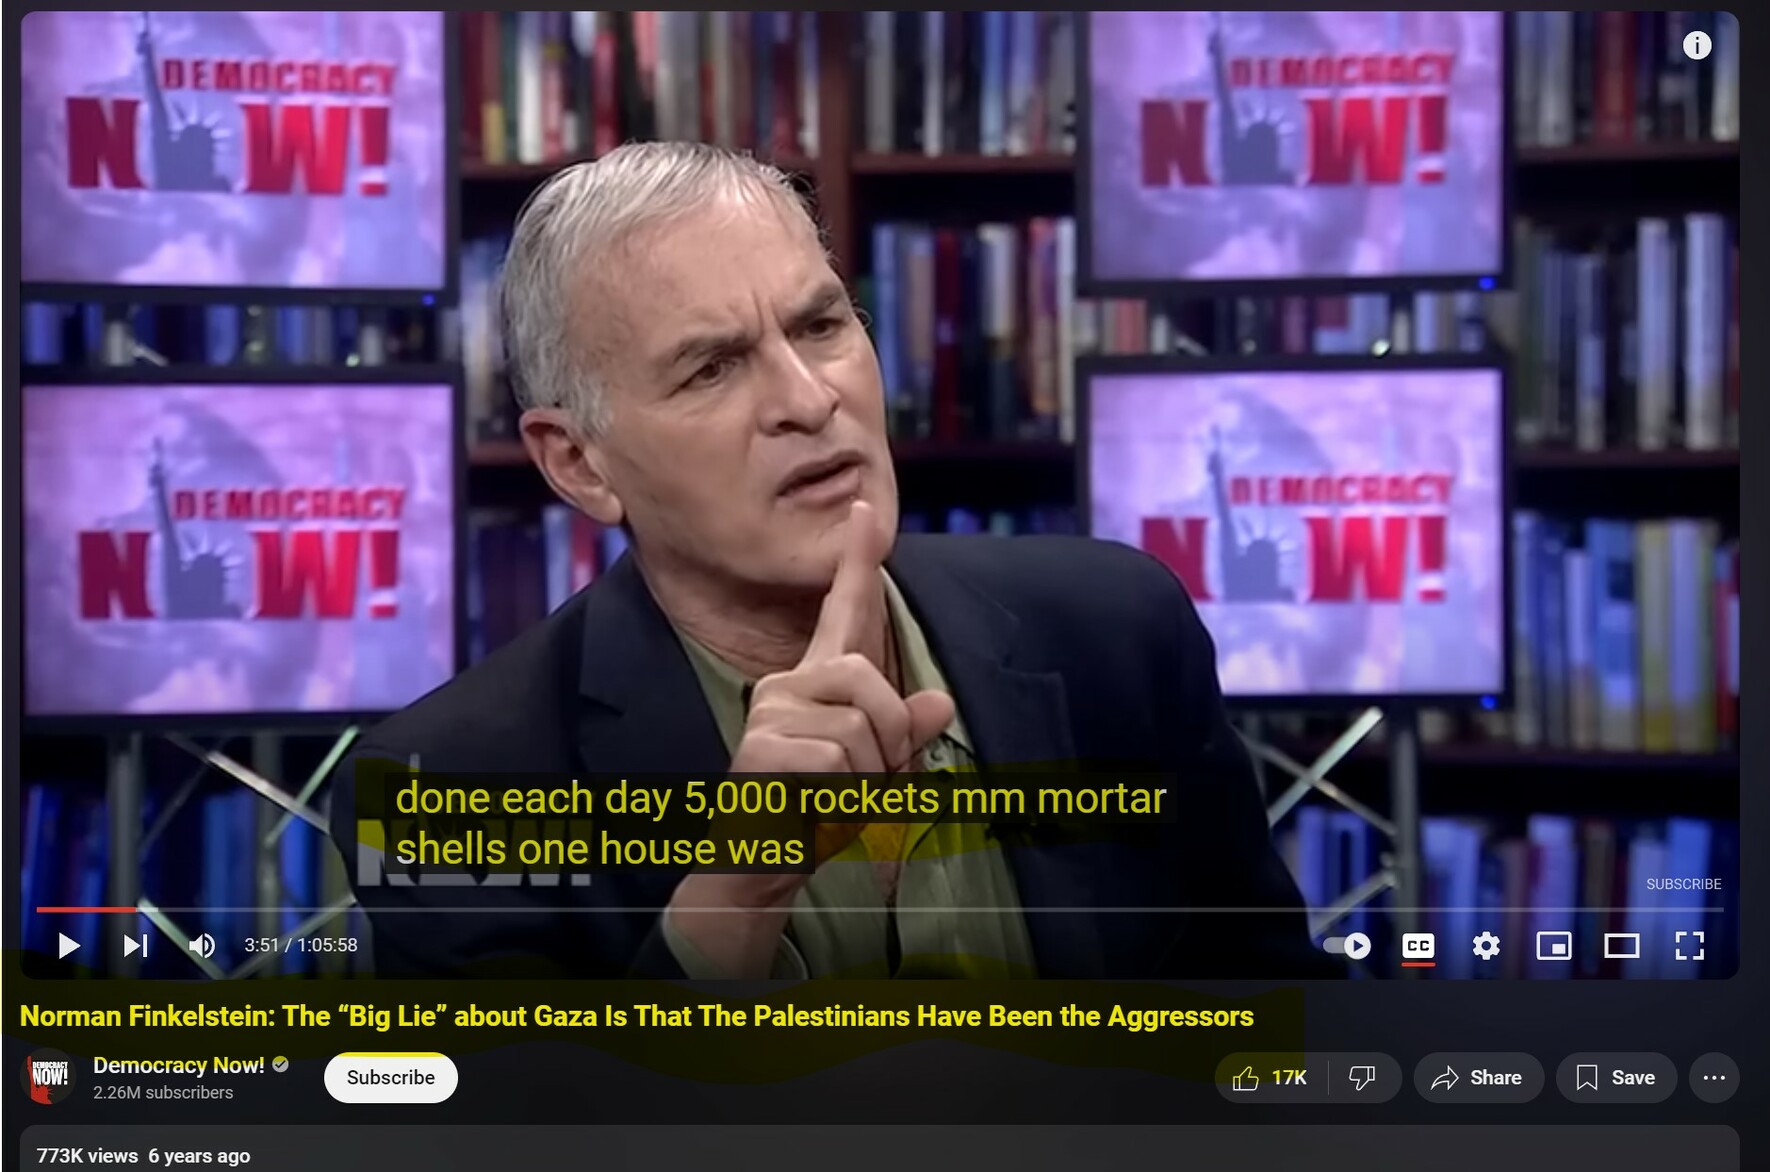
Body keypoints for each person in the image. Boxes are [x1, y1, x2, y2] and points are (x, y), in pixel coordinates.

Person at [330, 141, 1331, 980]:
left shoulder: (1118, 632)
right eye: (711, 367)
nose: (810, 399)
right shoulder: (444, 786)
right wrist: (738, 892)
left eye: (821, 325)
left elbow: (1282, 1038)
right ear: (579, 463)